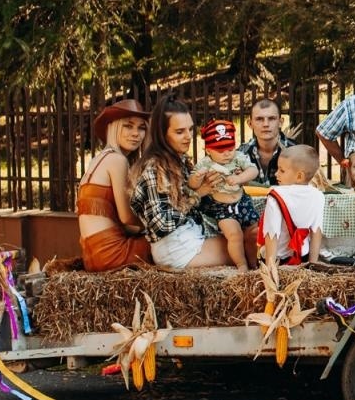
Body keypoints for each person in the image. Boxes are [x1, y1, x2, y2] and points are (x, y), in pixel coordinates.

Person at [129, 98, 232, 269]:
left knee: (246, 234)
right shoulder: (155, 168)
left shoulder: (178, 161)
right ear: (162, 134)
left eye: (190, 129)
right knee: (246, 246)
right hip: (175, 247)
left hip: (189, 235)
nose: (188, 137)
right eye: (179, 132)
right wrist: (196, 195)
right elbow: (162, 224)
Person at [77, 98, 153, 271]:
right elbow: (127, 218)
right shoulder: (117, 160)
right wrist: (153, 225)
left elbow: (121, 223)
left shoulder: (98, 159)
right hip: (113, 255)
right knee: (172, 241)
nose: (136, 133)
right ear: (114, 127)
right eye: (128, 126)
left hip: (92, 257)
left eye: (142, 128)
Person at [195, 119, 260, 270]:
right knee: (234, 235)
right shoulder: (206, 163)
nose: (226, 154)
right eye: (220, 150)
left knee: (253, 233)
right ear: (208, 150)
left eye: (230, 148)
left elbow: (253, 170)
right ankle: (241, 265)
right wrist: (197, 178)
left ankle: (254, 264)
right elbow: (192, 183)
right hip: (221, 207)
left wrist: (240, 178)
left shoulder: (238, 157)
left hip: (242, 202)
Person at [258, 145, 325, 265]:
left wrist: (270, 267)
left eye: (282, 170)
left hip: (279, 259)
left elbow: (271, 233)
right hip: (303, 258)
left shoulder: (275, 194)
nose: (276, 174)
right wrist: (313, 265)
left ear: (299, 176)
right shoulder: (318, 195)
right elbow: (316, 232)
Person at [240, 98, 298, 185]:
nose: (266, 124)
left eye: (271, 118)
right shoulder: (241, 153)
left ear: (280, 122)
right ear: (250, 124)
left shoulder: (296, 152)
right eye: (259, 119)